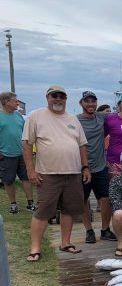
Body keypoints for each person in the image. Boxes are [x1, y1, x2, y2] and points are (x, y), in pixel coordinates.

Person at [22, 85, 91, 262]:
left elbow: (82, 145)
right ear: (47, 98)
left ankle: (65, 242)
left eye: (62, 96)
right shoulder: (35, 116)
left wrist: (85, 167)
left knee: (69, 209)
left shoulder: (73, 119)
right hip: (48, 174)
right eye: (55, 96)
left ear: (66, 99)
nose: (58, 99)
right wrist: (30, 169)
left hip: (73, 172)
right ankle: (35, 247)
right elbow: (27, 144)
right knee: (43, 211)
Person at [76, 90, 117, 243]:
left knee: (106, 198)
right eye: (87, 101)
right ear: (81, 103)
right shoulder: (75, 121)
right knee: (83, 200)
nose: (90, 104)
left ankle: (105, 229)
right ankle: (89, 230)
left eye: (93, 101)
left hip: (100, 167)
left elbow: (121, 114)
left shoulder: (102, 117)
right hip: (81, 167)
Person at [0, 91, 35, 213]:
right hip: (6, 155)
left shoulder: (18, 116)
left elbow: (26, 133)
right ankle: (13, 204)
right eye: (15, 101)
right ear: (6, 102)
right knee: (8, 180)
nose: (17, 103)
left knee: (26, 178)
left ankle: (30, 203)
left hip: (22, 154)